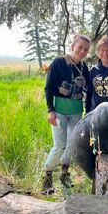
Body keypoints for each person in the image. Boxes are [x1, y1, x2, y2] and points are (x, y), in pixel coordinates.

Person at [42, 34, 91, 194]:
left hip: (76, 112)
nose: (82, 51)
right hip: (59, 111)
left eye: (85, 49)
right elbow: (49, 87)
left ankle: (64, 175)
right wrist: (51, 110)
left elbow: (89, 90)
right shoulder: (59, 62)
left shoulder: (85, 68)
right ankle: (47, 177)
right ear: (72, 46)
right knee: (59, 145)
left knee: (71, 144)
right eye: (79, 47)